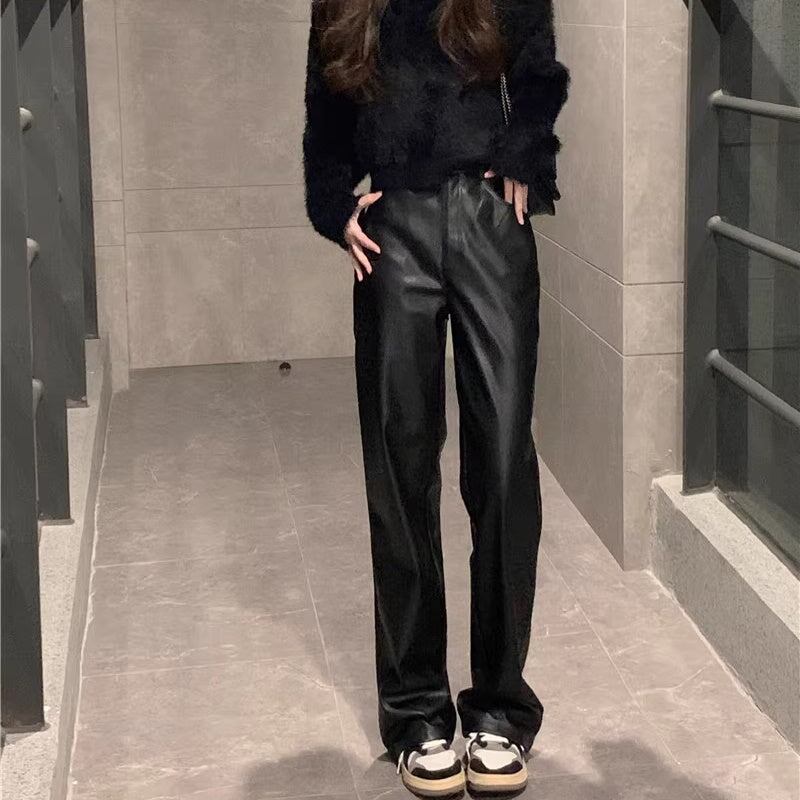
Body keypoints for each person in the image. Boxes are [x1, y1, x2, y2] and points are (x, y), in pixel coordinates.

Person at [302, 0, 568, 794]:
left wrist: (524, 152)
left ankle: (500, 708)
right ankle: (418, 713)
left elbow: (539, 69)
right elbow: (325, 110)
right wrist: (332, 207)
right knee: (400, 466)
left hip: (490, 222)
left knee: (504, 465)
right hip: (393, 232)